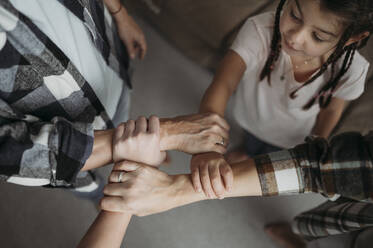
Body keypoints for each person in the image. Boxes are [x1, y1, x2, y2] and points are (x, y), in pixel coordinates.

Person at [0, 0, 229, 191]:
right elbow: (14, 155)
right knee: (91, 185)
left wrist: (119, 13)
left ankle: (141, 142)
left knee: (122, 113)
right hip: (65, 133)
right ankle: (100, 189)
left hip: (108, 59)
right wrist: (166, 134)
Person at [190, 0, 372, 200]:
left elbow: (331, 111)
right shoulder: (259, 31)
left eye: (318, 36)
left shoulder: (351, 71)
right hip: (253, 116)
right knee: (252, 142)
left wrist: (316, 144)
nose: (295, 37)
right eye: (294, 15)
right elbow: (223, 83)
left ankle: (252, 157)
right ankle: (248, 151)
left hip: (295, 134)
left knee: (273, 154)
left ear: (352, 38)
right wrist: (208, 144)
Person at [88, 130, 373, 248]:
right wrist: (176, 188)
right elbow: (333, 168)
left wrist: (174, 189)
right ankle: (297, 237)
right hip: (354, 217)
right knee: (319, 226)